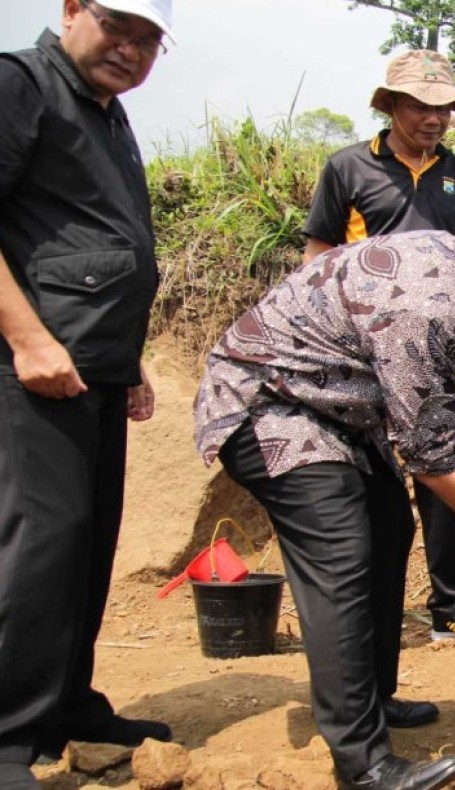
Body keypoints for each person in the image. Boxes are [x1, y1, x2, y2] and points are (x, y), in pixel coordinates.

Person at [194, 178, 455, 790]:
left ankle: (374, 697)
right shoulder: (421, 301)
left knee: (389, 527)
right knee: (340, 553)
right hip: (269, 403)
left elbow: (452, 367)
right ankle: (363, 763)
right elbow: (434, 466)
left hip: (336, 409)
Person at [0, 3, 174, 787]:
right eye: (116, 27)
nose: (130, 50)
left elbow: (92, 240)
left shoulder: (106, 113)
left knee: (87, 541)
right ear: (72, 10)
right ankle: (8, 735)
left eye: (148, 41)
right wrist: (27, 339)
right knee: (41, 544)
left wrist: (126, 357)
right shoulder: (21, 84)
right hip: (32, 365)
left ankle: (65, 705)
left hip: (93, 364)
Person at [303, 49, 455, 649]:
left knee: (443, 466)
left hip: (435, 350)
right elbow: (317, 258)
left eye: (445, 108)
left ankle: (452, 606)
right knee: (367, 477)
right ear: (390, 106)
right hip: (360, 357)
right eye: (420, 106)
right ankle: (365, 606)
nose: (434, 118)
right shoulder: (348, 169)